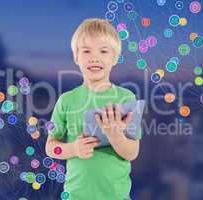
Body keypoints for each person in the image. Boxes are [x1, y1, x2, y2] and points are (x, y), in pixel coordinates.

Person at [45, 18, 142, 200]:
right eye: (86, 51)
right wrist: (73, 149)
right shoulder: (66, 100)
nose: (94, 57)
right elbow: (51, 148)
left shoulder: (126, 98)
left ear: (114, 58)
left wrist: (115, 136)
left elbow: (132, 152)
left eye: (103, 51)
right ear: (76, 57)